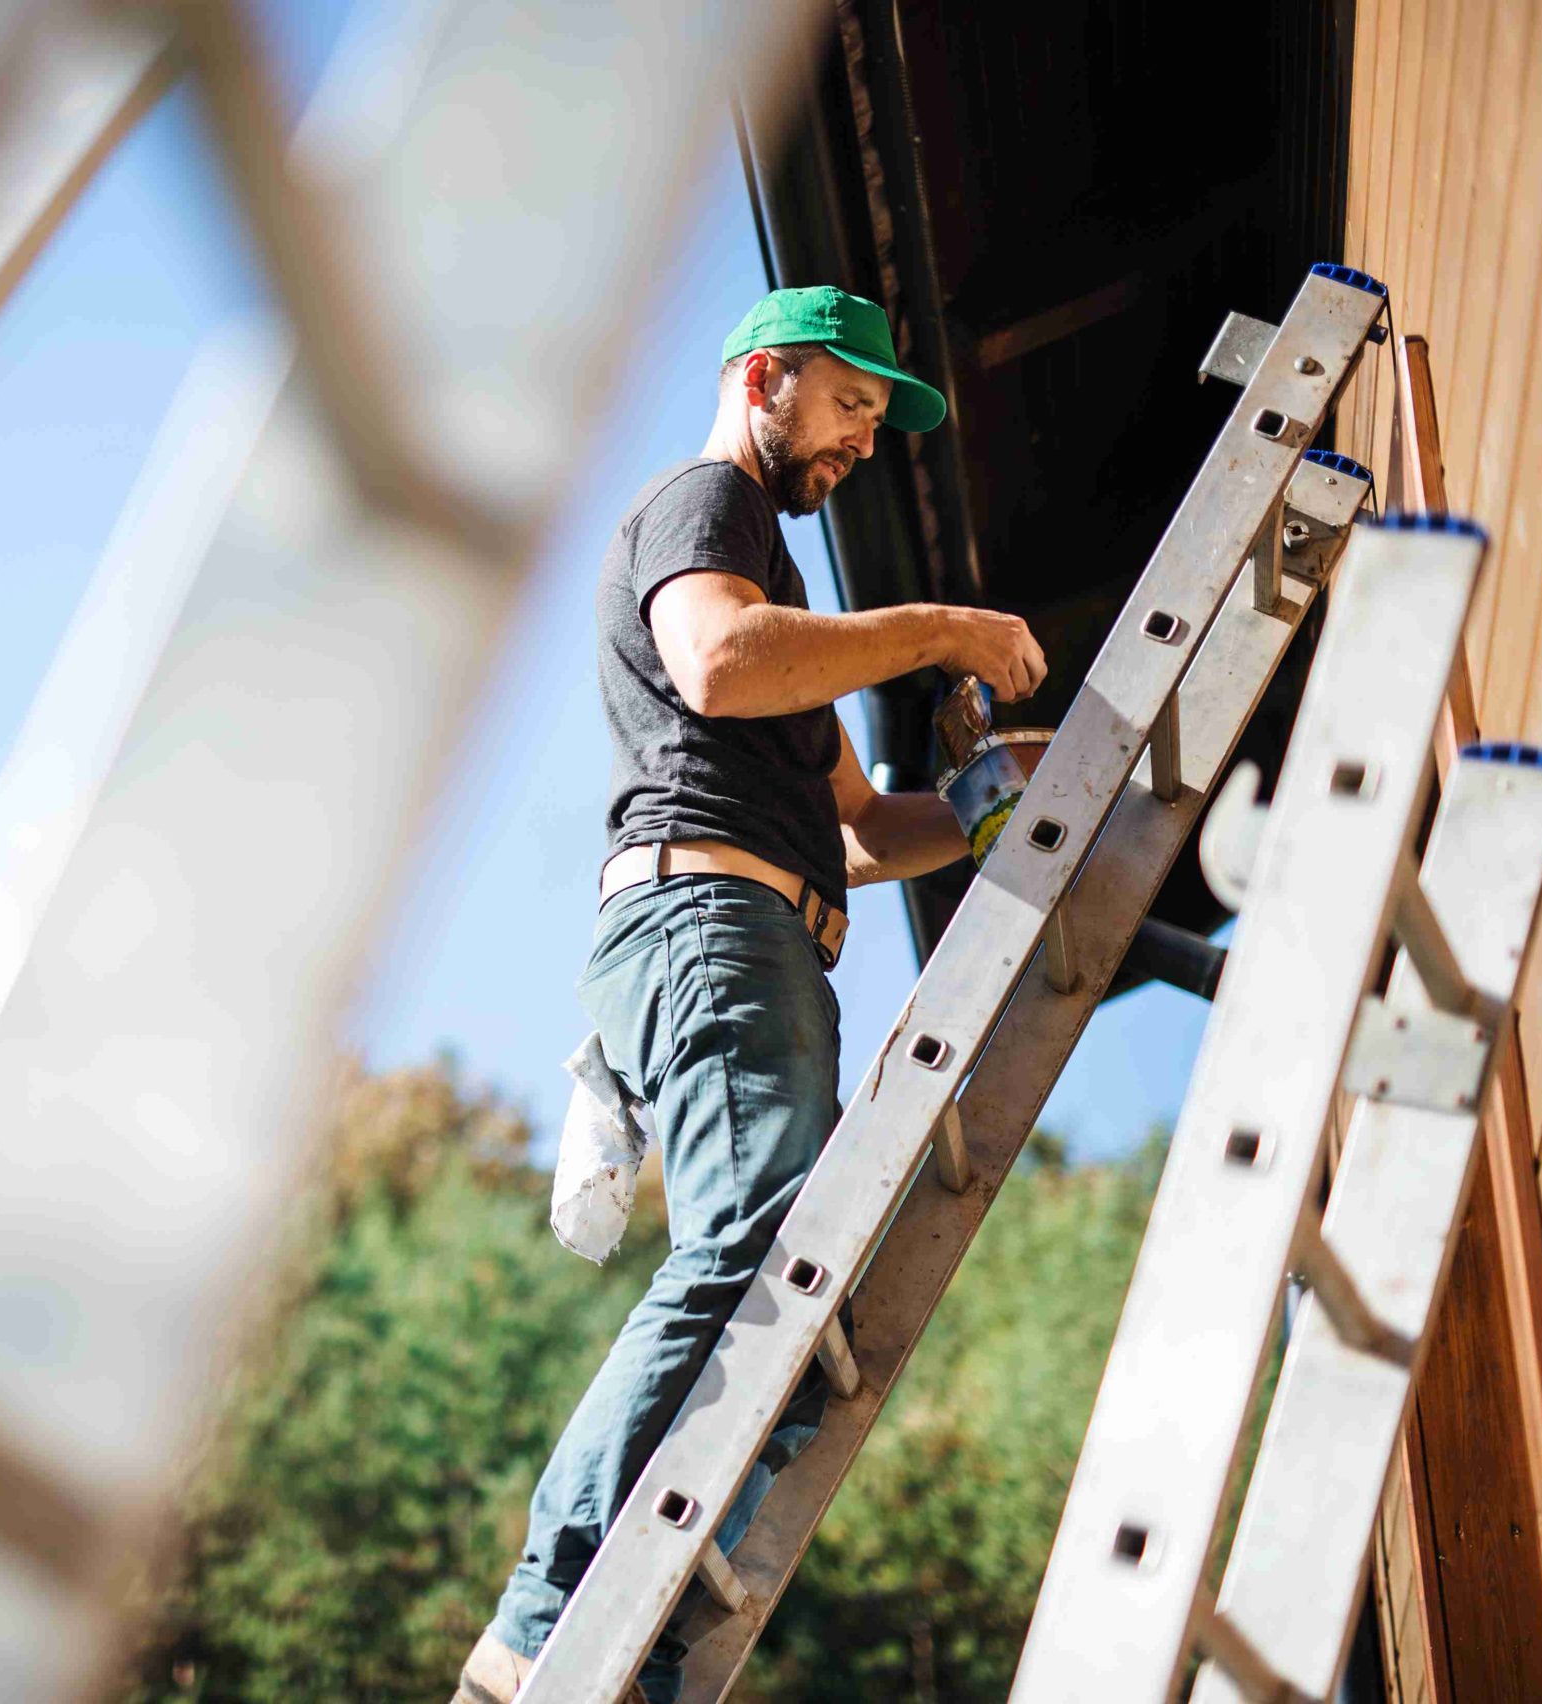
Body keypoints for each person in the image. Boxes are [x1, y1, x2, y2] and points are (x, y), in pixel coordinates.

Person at [452, 285, 1045, 1704]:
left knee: (792, 1274)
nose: (858, 444)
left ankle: (621, 1633)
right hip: (709, 921)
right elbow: (717, 665)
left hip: (759, 926)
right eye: (848, 406)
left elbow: (851, 830)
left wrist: (995, 804)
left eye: (873, 428)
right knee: (759, 1244)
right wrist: (943, 627)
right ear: (765, 376)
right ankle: (541, 1632)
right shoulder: (707, 513)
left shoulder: (776, 612)